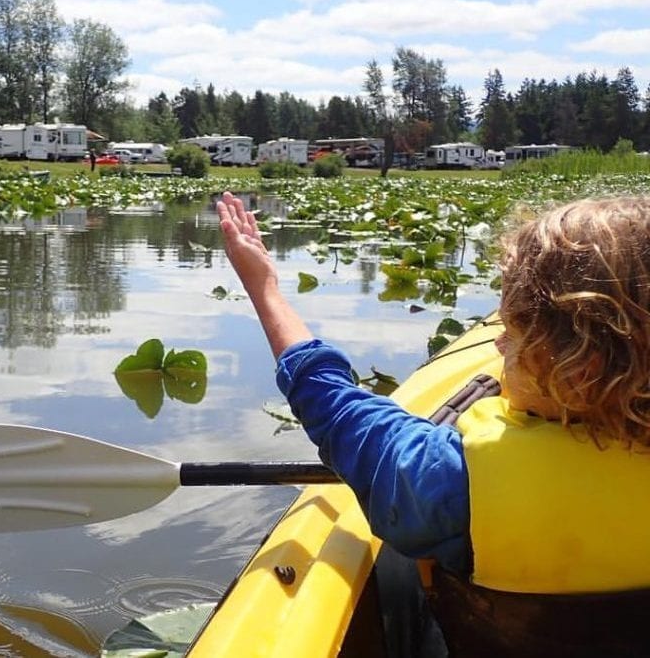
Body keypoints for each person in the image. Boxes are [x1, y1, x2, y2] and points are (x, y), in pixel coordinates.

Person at [217, 191, 650, 596]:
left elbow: (336, 409)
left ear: (577, 368)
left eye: (513, 336)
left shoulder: (449, 484)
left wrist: (265, 288)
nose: (498, 347)